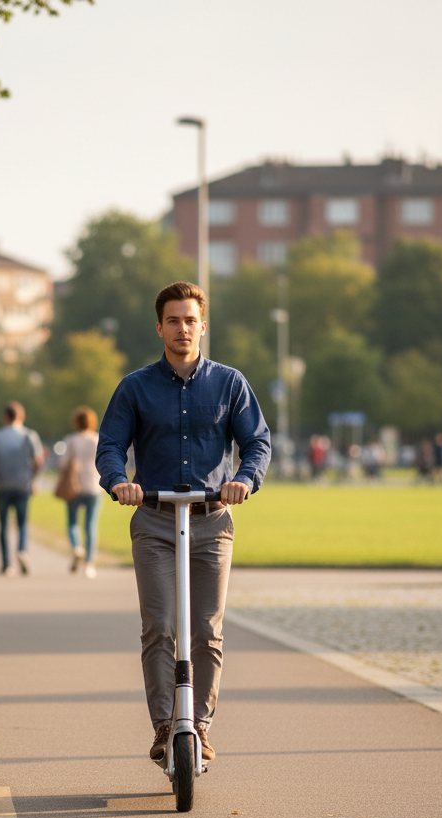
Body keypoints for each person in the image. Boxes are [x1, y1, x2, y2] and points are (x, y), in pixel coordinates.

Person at [97, 282, 271, 764]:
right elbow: (110, 444)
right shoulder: (135, 387)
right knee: (160, 627)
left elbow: (257, 441)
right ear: (159, 327)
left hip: (212, 520)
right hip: (154, 521)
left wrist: (244, 479)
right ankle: (162, 726)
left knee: (207, 631)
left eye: (190, 320)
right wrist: (119, 481)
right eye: (173, 320)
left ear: (203, 326)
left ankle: (200, 724)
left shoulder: (230, 383)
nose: (182, 328)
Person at [0, 401, 44, 576]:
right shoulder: (30, 435)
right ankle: (22, 551)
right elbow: (38, 461)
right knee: (22, 524)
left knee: (2, 525)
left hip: (2, 485)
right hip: (23, 485)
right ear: (21, 417)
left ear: (5, 417)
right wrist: (35, 481)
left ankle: (6, 564)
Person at [58, 406, 103, 578]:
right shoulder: (97, 439)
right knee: (90, 526)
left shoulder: (70, 440)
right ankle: (89, 564)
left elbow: (63, 464)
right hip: (93, 485)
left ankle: (77, 547)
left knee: (72, 523)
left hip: (74, 486)